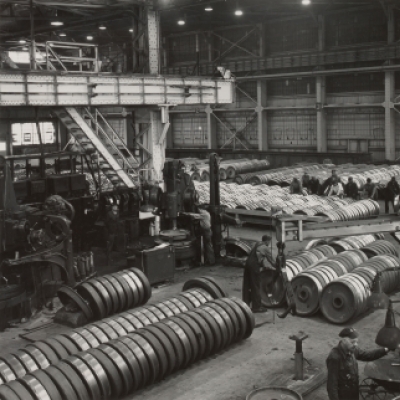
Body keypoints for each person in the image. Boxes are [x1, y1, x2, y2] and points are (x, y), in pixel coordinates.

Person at [326, 327, 389, 400]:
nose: (355, 345)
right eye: (352, 342)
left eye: (356, 342)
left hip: (354, 391)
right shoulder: (334, 358)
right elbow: (332, 385)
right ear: (343, 340)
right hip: (343, 395)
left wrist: (385, 350)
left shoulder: (352, 349)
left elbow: (367, 355)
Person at [242, 235, 276, 313]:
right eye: (269, 241)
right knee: (255, 285)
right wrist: (277, 267)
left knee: (247, 285)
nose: (269, 243)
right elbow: (271, 260)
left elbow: (259, 256)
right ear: (266, 241)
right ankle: (256, 307)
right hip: (254, 266)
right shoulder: (265, 247)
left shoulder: (257, 244)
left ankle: (245, 305)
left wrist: (264, 266)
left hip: (247, 265)